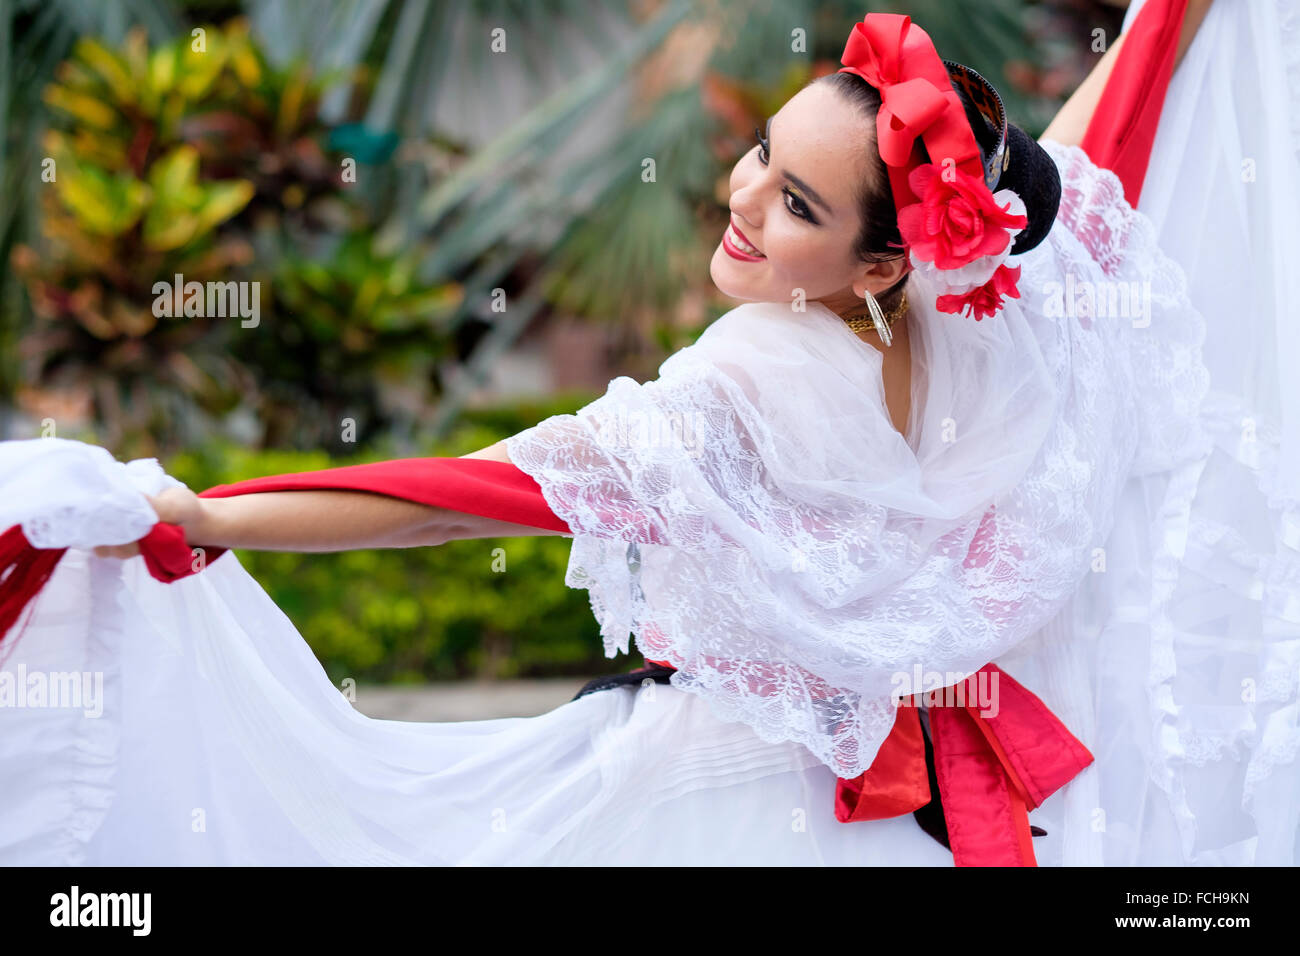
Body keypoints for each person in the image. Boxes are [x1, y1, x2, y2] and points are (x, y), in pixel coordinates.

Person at [2, 2, 1290, 866]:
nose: (741, 200)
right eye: (760, 154)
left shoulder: (743, 388)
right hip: (896, 826)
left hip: (716, 806)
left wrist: (220, 516)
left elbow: (471, 494)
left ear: (885, 258)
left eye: (793, 203)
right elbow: (1100, 139)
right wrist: (1174, 21)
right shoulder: (997, 333)